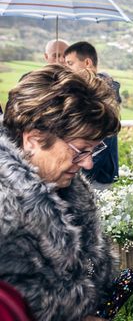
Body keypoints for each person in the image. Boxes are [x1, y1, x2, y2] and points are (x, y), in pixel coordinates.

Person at [0, 65, 121, 320]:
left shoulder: (69, 190)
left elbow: (91, 272)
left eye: (94, 150)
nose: (88, 164)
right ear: (33, 139)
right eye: (80, 150)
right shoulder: (6, 216)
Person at [65, 41, 121, 185]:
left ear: (88, 62)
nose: (66, 68)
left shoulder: (101, 99)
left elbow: (101, 143)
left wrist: (81, 178)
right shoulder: (85, 92)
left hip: (96, 177)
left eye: (70, 63)